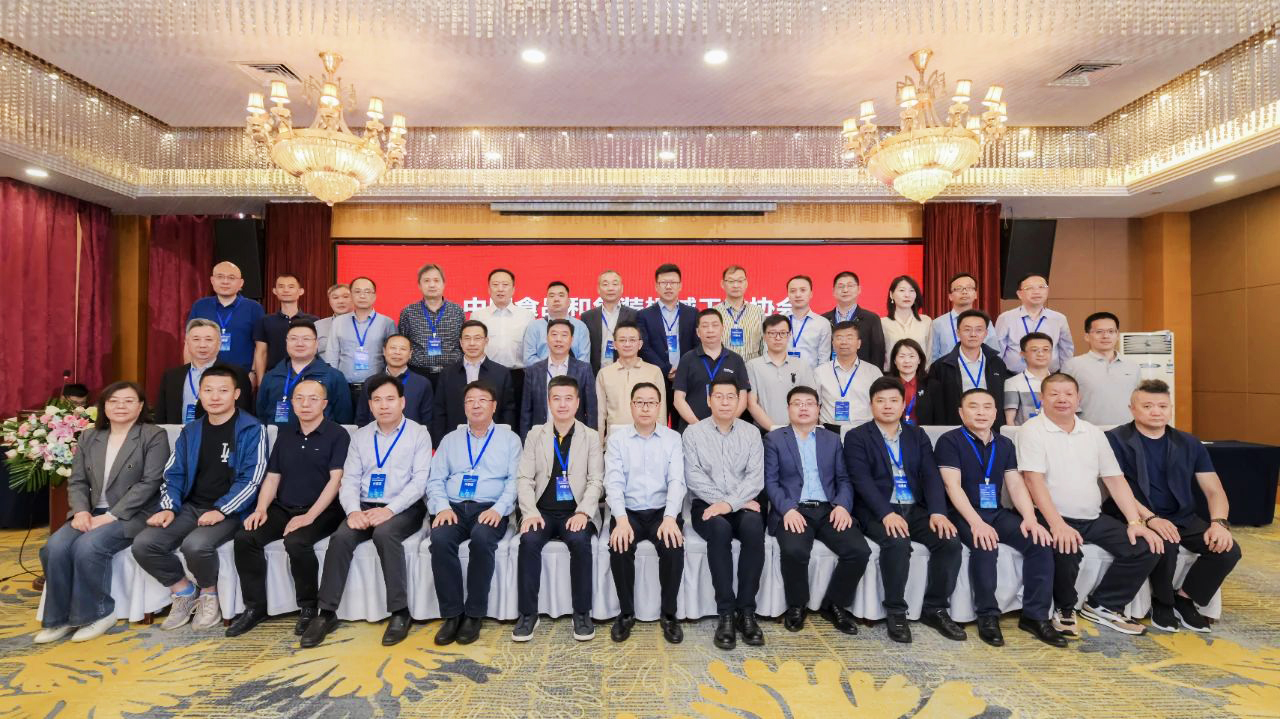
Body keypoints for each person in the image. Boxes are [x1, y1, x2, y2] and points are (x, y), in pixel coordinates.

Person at [1018, 373, 1163, 637]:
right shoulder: (1032, 430)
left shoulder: (1093, 432)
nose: (1062, 399)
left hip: (1092, 517)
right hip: (1051, 516)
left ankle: (1104, 605)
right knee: (1066, 547)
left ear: (1078, 398)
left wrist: (1135, 521)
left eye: (1068, 394)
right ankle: (1064, 608)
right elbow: (1032, 480)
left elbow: (1115, 480)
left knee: (1145, 547)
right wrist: (1057, 524)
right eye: (1054, 394)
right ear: (1041, 398)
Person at [300, 374, 432, 649]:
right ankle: (326, 613)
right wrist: (352, 512)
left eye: (390, 399)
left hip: (404, 507)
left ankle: (400, 612)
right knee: (341, 538)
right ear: (370, 405)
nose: (384, 405)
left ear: (402, 402)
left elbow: (420, 482)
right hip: (364, 506)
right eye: (377, 400)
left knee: (385, 535)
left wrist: (390, 510)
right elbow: (349, 480)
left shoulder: (418, 433)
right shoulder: (360, 436)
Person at [131, 366, 266, 632]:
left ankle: (209, 594)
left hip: (232, 511)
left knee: (196, 546)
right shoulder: (191, 431)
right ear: (199, 394)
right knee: (145, 544)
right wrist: (169, 507)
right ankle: (183, 591)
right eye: (208, 390)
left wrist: (221, 510)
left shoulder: (252, 429)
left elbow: (253, 479)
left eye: (223, 390)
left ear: (236, 394)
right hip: (191, 506)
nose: (215, 397)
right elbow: (174, 474)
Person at [35, 382, 167, 644]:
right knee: (54, 547)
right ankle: (58, 618)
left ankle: (98, 613)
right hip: (92, 512)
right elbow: (77, 481)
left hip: (132, 513)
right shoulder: (89, 437)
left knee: (88, 546)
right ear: (104, 406)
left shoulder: (153, 435)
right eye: (113, 401)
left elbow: (150, 483)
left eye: (128, 401)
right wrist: (81, 512)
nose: (120, 406)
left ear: (140, 406)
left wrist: (111, 516)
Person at [1105, 380, 1241, 633]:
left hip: (1182, 516)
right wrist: (1150, 518)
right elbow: (1116, 487)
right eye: (1147, 406)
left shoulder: (1188, 442)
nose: (1156, 412)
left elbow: (1214, 490)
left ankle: (1185, 598)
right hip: (1135, 514)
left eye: (1162, 406)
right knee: (1165, 543)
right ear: (1132, 409)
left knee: (1227, 550)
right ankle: (1162, 602)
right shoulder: (1115, 440)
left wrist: (1219, 523)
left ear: (1170, 409)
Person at [935, 389, 1066, 648]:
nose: (981, 412)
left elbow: (1015, 484)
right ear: (961, 412)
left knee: (1039, 542)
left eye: (987, 407)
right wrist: (977, 523)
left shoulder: (1004, 444)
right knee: (985, 544)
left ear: (996, 413)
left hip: (995, 511)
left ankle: (1035, 616)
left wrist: (1030, 518)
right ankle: (987, 616)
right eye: (973, 406)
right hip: (962, 513)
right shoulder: (949, 441)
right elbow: (952, 486)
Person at [845, 376, 965, 643]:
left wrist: (938, 512)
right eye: (881, 401)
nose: (887, 406)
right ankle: (896, 611)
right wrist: (886, 514)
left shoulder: (917, 435)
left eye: (893, 400)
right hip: (878, 510)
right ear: (871, 405)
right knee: (897, 542)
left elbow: (930, 475)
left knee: (949, 541)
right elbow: (861, 481)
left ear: (903, 404)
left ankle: (935, 608)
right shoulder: (857, 437)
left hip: (914, 507)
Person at [227, 379, 349, 638]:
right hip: (284, 507)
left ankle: (309, 607)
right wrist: (261, 509)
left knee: (296, 542)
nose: (306, 404)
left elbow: (336, 481)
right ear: (292, 403)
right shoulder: (285, 434)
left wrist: (309, 516)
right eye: (299, 398)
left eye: (313, 399)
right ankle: (255, 607)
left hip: (324, 510)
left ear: (324, 404)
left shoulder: (338, 434)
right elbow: (273, 477)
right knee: (245, 538)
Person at [764, 386, 869, 634]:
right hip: (794, 509)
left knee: (858, 550)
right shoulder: (774, 439)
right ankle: (797, 605)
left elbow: (844, 479)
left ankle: (834, 604)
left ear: (818, 409)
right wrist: (787, 509)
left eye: (809, 403)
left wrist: (842, 506)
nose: (803, 408)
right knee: (794, 550)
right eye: (797, 403)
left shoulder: (831, 440)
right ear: (788, 409)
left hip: (828, 509)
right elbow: (770, 482)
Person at [427, 381, 522, 646]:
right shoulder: (450, 440)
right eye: (470, 400)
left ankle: (474, 614)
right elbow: (435, 479)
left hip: (489, 508)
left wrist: (498, 509)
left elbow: (515, 481)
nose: (476, 405)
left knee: (481, 539)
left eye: (482, 400)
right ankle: (452, 614)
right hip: (453, 507)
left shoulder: (510, 440)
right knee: (440, 540)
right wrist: (442, 507)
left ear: (494, 406)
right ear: (464, 407)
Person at [512, 376, 604, 643]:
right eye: (556, 398)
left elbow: (596, 480)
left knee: (580, 541)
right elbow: (524, 478)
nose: (562, 404)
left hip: (576, 512)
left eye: (568, 399)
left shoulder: (590, 436)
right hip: (541, 511)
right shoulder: (535, 435)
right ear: (549, 402)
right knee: (528, 541)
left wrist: (584, 513)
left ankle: (582, 613)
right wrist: (529, 512)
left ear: (577, 402)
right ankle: (528, 614)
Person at [683, 379, 766, 650]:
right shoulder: (693, 433)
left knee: (754, 526)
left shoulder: (751, 433)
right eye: (719, 396)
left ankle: (747, 612)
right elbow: (693, 477)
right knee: (719, 529)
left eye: (731, 396)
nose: (725, 402)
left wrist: (729, 504)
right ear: (709, 400)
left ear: (739, 401)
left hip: (742, 504)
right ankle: (726, 613)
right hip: (706, 504)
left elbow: (755, 478)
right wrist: (723, 503)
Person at [605, 382, 686, 644]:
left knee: (673, 546)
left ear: (659, 407)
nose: (645, 408)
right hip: (629, 511)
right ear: (631, 406)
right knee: (619, 545)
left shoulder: (673, 439)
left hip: (662, 511)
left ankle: (669, 614)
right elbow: (613, 482)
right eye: (639, 402)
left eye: (651, 402)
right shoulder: (617, 440)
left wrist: (670, 518)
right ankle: (626, 613)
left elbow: (677, 481)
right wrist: (620, 519)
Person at [432, 320, 516, 443]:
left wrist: (505, 439)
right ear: (461, 342)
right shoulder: (447, 374)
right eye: (467, 338)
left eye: (477, 338)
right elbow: (439, 411)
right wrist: (440, 442)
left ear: (486, 341)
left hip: (493, 440)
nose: (472, 343)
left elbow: (508, 411)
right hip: (455, 439)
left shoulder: (501, 373)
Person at [921, 310, 1009, 427]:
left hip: (990, 427)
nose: (973, 334)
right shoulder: (941, 366)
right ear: (958, 332)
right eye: (967, 330)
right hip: (955, 427)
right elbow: (937, 405)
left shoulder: (997, 363)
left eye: (979, 330)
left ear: (986, 333)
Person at [155, 318, 253, 424]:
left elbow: (244, 414)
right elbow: (161, 415)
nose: (202, 345)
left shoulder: (235, 374)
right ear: (187, 343)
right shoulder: (171, 376)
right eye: (196, 339)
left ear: (219, 344)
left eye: (209, 339)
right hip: (176, 433)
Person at [256, 320, 352, 427]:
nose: (299, 344)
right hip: (278, 436)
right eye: (293, 339)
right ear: (286, 342)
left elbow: (343, 418)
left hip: (321, 437)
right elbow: (261, 414)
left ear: (316, 343)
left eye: (306, 339)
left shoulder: (333, 377)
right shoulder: (271, 377)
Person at [324, 276, 398, 410]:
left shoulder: (387, 323)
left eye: (367, 291)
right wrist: (333, 384)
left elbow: (392, 357)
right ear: (351, 296)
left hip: (376, 388)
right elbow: (332, 355)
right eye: (357, 291)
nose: (362, 295)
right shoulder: (339, 322)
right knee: (344, 422)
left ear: (374, 296)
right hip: (344, 388)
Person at [637, 264, 698, 421]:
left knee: (684, 424)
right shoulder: (644, 315)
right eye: (664, 283)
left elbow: (697, 345)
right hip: (656, 378)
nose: (669, 286)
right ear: (656, 286)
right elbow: (644, 347)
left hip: (686, 380)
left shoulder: (692, 313)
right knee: (657, 422)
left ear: (680, 285)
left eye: (673, 282)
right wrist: (666, 369)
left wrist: (682, 370)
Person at [186, 261, 265, 381]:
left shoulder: (254, 308)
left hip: (241, 375)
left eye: (231, 278)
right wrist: (190, 374)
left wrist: (254, 373)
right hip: (203, 374)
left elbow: (260, 347)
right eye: (220, 277)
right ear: (212, 280)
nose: (225, 281)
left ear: (241, 283)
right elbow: (188, 343)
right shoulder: (200, 305)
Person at [673, 308, 750, 429]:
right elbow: (678, 399)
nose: (710, 330)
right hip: (694, 429)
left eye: (715, 325)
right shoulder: (687, 359)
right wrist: (698, 426)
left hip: (728, 430)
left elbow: (743, 398)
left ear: (723, 329)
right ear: (698, 332)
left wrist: (727, 425)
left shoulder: (736, 360)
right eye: (705, 326)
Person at [471, 268, 536, 410]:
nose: (500, 289)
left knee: (516, 415)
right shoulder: (478, 316)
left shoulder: (527, 316)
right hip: (486, 374)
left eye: (505, 285)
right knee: (486, 413)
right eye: (495, 285)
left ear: (513, 290)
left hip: (517, 376)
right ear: (489, 290)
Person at [521, 319, 597, 438]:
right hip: (541, 437)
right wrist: (525, 441)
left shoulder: (584, 370)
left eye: (564, 335)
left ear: (571, 340)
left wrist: (591, 440)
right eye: (554, 334)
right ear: (547, 339)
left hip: (575, 437)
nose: (559, 339)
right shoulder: (533, 371)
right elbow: (526, 412)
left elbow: (591, 410)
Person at [1063, 312, 1141, 426]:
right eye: (1099, 332)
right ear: (1087, 336)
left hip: (1127, 431)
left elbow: (1139, 400)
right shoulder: (1072, 365)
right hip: (1088, 430)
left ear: (1117, 335)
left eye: (1111, 331)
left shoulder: (1133, 366)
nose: (1106, 336)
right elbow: (1065, 400)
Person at [595, 320, 666, 438]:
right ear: (614, 344)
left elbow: (661, 412)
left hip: (648, 439)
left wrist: (661, 441)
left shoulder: (654, 372)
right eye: (622, 340)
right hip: (615, 439)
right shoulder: (604, 374)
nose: (627, 344)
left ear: (640, 344)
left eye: (632, 340)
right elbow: (600, 414)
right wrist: (599, 443)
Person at [397, 263, 465, 387]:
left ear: (444, 284)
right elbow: (402, 342)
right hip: (417, 373)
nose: (432, 285)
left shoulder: (457, 311)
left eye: (436, 280)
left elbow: (463, 344)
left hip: (451, 373)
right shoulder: (408, 312)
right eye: (427, 281)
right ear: (419, 285)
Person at [745, 314, 817, 431]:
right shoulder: (753, 365)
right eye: (772, 333)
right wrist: (774, 429)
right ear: (764, 336)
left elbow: (810, 401)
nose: (777, 338)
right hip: (764, 432)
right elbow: (751, 403)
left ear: (789, 335)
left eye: (783, 333)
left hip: (798, 431)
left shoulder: (801, 365)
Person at [994, 273, 1074, 372]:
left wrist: (1065, 375)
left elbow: (1066, 350)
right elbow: (998, 350)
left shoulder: (1059, 318)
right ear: (1019, 294)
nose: (1036, 292)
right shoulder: (1006, 318)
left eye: (1041, 287)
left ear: (1047, 291)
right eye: (1029, 288)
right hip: (1013, 376)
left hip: (1050, 376)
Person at [815, 321, 882, 433]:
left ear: (859, 343)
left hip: (864, 431)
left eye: (849, 337)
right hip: (830, 431)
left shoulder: (873, 372)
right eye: (839, 338)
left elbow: (881, 403)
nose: (844, 342)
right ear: (833, 343)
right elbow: (814, 404)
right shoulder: (820, 372)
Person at [355, 334, 433, 427]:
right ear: (384, 351)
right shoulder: (370, 382)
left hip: (412, 435)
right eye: (393, 348)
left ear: (410, 354)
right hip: (376, 434)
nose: (397, 352)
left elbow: (428, 421)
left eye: (403, 349)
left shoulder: (422, 383)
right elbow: (362, 418)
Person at [252, 273, 316, 382]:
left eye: (291, 287)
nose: (286, 290)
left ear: (301, 291)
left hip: (306, 378)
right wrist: (261, 382)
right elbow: (261, 353)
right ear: (274, 291)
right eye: (281, 286)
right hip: (274, 377)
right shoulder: (265, 321)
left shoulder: (313, 321)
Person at [928, 272, 998, 363]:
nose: (964, 292)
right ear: (950, 296)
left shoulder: (985, 321)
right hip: (947, 370)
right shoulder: (938, 323)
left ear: (975, 294)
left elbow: (994, 352)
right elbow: (933, 356)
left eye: (969, 288)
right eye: (958, 288)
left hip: (979, 370)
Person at [580, 269, 638, 374]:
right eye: (605, 284)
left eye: (615, 284)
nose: (610, 288)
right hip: (595, 373)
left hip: (626, 372)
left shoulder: (634, 315)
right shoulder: (587, 317)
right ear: (598, 289)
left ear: (622, 288)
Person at [824, 270, 887, 366]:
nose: (845, 290)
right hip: (829, 372)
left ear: (859, 289)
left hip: (862, 373)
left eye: (850, 286)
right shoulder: (823, 320)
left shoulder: (872, 319)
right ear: (833, 291)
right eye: (840, 286)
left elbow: (878, 354)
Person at [522, 281, 591, 366]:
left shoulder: (580, 327)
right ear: (546, 302)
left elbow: (584, 359)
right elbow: (529, 358)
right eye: (551, 296)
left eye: (561, 295)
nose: (556, 299)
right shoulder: (534, 326)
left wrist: (566, 370)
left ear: (569, 302)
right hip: (541, 373)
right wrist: (551, 369)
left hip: (574, 374)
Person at [880, 275, 932, 371]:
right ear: (891, 294)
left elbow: (930, 354)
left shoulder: (926, 321)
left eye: (912, 291)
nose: (907, 295)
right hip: (891, 375)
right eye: (902, 290)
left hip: (920, 376)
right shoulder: (882, 323)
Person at [713, 265, 764, 361]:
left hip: (752, 367)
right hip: (723, 367)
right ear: (722, 284)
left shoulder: (758, 312)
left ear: (746, 283)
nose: (735, 285)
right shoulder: (714, 313)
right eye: (731, 281)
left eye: (740, 281)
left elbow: (764, 344)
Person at [1003, 332, 1053, 426]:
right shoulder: (1013, 383)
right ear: (1022, 354)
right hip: (1024, 433)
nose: (1041, 354)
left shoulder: (1061, 382)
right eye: (1034, 350)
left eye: (1046, 349)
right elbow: (1010, 421)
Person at [782, 275, 832, 369]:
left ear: (811, 294)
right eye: (793, 291)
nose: (798, 295)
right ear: (788, 294)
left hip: (811, 376)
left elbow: (824, 360)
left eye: (803, 290)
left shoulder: (822, 323)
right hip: (781, 375)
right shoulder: (779, 322)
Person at [886, 339, 927, 426]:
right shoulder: (886, 385)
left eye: (911, 356)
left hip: (924, 432)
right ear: (894, 360)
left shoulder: (932, 385)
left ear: (919, 360)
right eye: (902, 356)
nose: (907, 361)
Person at [314, 283, 353, 353]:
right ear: (329, 302)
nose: (340, 301)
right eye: (335, 298)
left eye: (345, 297)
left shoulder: (364, 324)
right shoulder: (317, 326)